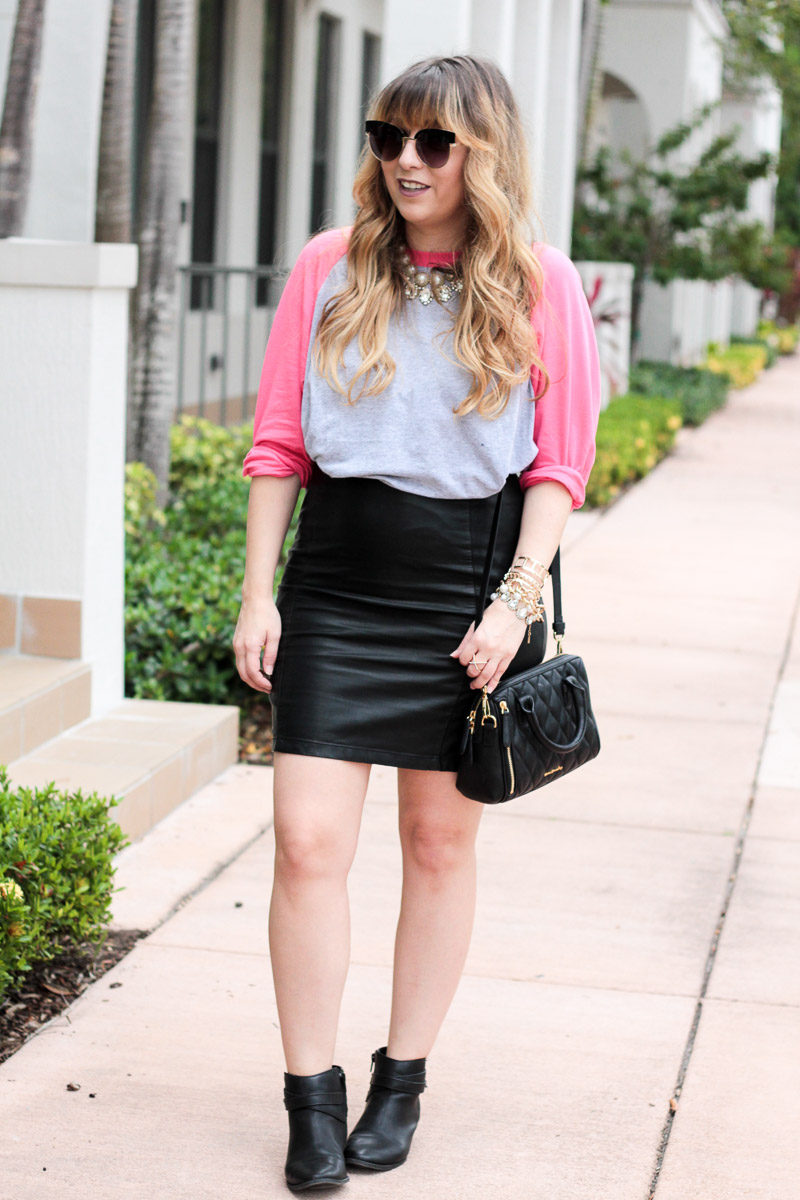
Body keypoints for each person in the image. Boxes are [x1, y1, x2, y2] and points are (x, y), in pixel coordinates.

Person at [233, 54, 600, 1193]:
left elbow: (558, 465)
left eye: (433, 143)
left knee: (437, 844)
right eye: (389, 135)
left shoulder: (540, 283)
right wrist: (257, 593)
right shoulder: (326, 270)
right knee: (305, 844)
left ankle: (402, 1081)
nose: (405, 160)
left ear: (480, 153)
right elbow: (278, 444)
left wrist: (513, 603)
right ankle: (310, 1100)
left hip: (470, 593)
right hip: (338, 586)